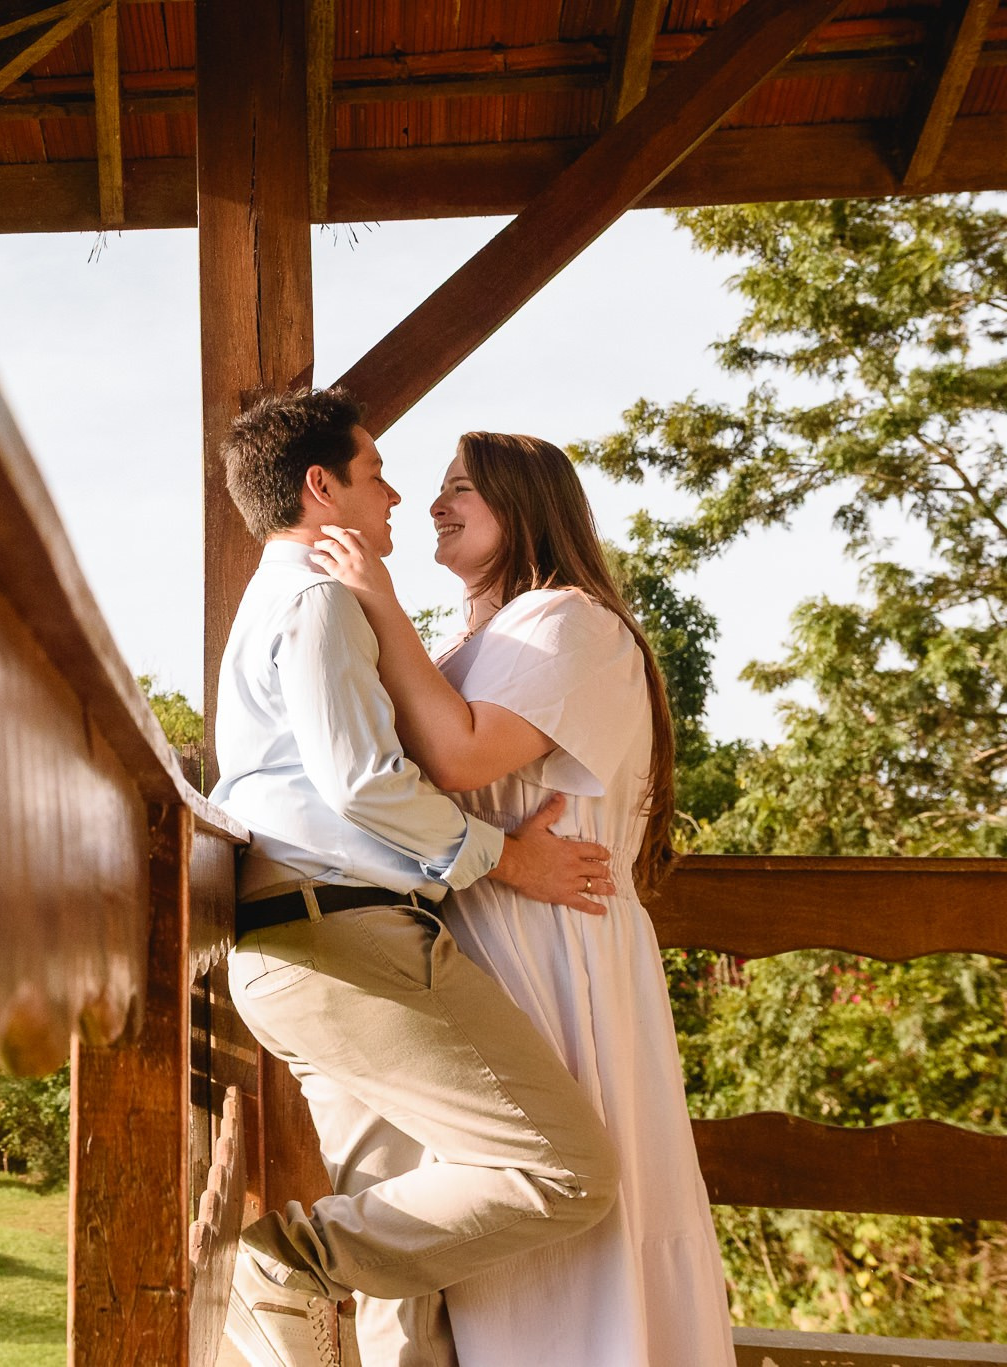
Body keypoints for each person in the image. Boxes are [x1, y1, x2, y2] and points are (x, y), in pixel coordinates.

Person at [211, 389, 624, 1367]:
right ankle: (282, 1258)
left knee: (409, 1265)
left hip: (301, 951)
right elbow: (360, 780)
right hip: (342, 942)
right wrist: (503, 856)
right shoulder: (314, 596)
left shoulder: (283, 596)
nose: (394, 495)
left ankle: (306, 1264)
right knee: (566, 1169)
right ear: (321, 486)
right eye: (375, 471)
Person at [308, 430, 735, 1366]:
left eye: (463, 487)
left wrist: (375, 598)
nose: (433, 502)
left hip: (557, 948)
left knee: (576, 1232)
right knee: (507, 1225)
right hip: (488, 946)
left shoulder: (567, 622)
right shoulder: (482, 639)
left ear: (527, 504)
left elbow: (460, 756)